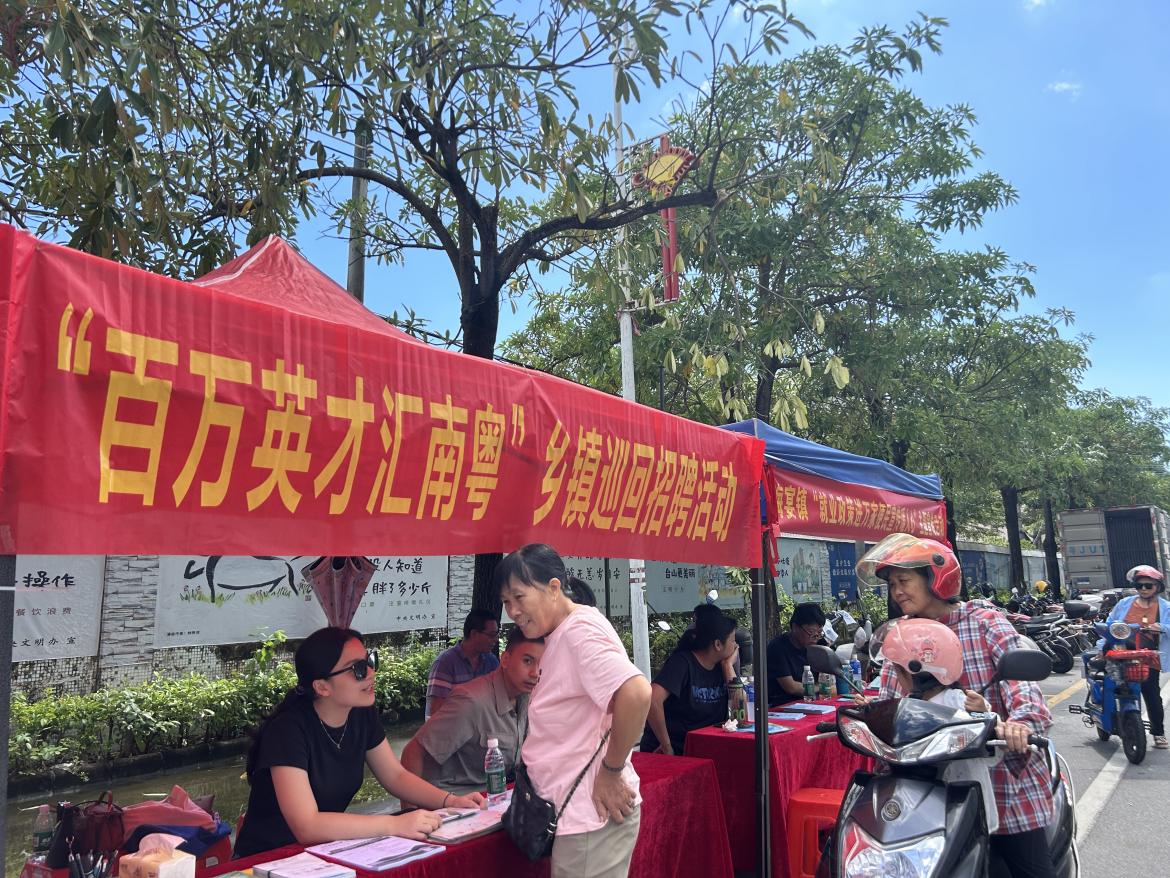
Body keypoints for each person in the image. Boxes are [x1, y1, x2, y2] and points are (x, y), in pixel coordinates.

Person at [857, 533, 1055, 878]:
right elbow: (890, 694)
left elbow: (1022, 689)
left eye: (903, 581)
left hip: (1000, 776)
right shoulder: (900, 634)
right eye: (892, 585)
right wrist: (873, 714)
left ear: (936, 578)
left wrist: (1019, 724)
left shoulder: (983, 622)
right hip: (928, 785)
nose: (897, 592)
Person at [234, 627, 484, 858]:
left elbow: (395, 776)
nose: (371, 672)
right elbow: (307, 825)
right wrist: (393, 824)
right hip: (267, 858)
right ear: (322, 687)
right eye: (358, 668)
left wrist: (450, 801)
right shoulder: (287, 731)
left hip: (324, 850)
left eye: (370, 661)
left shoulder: (360, 713)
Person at [497, 544, 651, 878]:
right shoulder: (564, 631)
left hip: (589, 816)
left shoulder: (579, 633)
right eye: (506, 602)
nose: (513, 611)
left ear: (554, 588)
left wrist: (611, 771)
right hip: (579, 815)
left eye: (519, 597)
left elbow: (637, 693)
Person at [401, 626, 546, 794]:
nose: (535, 673)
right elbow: (413, 753)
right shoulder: (470, 701)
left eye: (541, 664)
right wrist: (412, 807)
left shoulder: (529, 698)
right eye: (527, 661)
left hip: (496, 796)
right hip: (451, 801)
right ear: (505, 659)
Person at [641, 607, 738, 755]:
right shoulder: (682, 663)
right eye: (733, 640)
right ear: (718, 644)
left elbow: (740, 710)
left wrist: (728, 666)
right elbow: (652, 698)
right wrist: (666, 746)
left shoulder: (723, 666)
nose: (736, 646)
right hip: (676, 749)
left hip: (706, 747)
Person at [1100, 564, 1170, 749]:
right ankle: (1109, 720)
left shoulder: (1165, 608)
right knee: (1112, 686)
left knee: (1151, 694)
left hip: (1148, 657)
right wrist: (1101, 648)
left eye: (1149, 585)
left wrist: (1161, 627)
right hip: (1120, 654)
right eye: (1140, 586)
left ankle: (1158, 733)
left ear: (1157, 587)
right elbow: (1109, 626)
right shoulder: (1124, 604)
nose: (1144, 589)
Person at [425, 609, 500, 718]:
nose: (496, 640)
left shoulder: (491, 662)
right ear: (474, 634)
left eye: (496, 634)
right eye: (491, 635)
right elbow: (436, 712)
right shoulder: (445, 663)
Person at [765, 602, 826, 706]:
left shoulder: (820, 644)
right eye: (811, 632)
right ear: (795, 627)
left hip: (814, 702)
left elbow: (830, 679)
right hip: (784, 705)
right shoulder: (777, 647)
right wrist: (822, 687)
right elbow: (791, 687)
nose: (816, 638)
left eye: (819, 633)